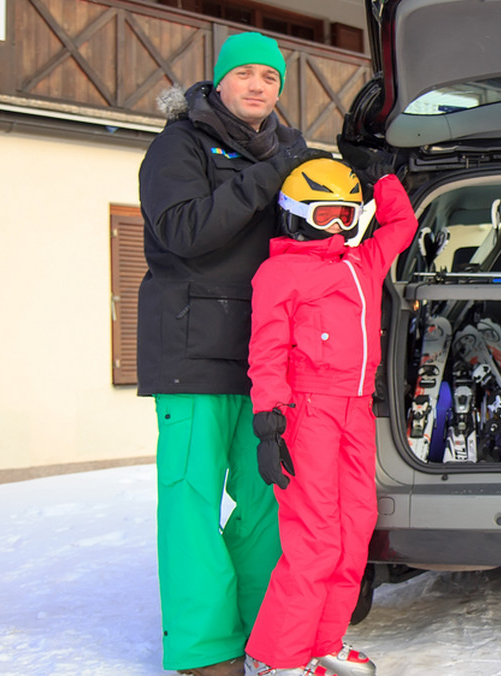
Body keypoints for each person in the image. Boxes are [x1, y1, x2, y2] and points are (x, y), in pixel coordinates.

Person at [138, 31, 326, 676]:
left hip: (265, 358)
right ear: (219, 81)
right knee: (191, 499)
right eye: (244, 74)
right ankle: (203, 649)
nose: (257, 86)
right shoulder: (178, 146)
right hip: (190, 352)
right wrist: (274, 172)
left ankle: (257, 634)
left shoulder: (291, 154)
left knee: (266, 499)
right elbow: (186, 231)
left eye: (270, 79)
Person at [243, 157, 418, 676]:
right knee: (314, 537)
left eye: (347, 215)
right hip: (308, 411)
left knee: (354, 528)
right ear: (296, 215)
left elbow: (402, 225)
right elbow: (266, 350)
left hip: (356, 410)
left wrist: (383, 179)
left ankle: (323, 641)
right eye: (326, 216)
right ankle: (275, 658)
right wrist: (268, 420)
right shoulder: (278, 273)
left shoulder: (362, 263)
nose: (339, 226)